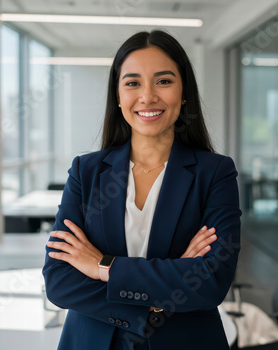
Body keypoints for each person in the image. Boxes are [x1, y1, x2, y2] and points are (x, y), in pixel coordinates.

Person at [42, 29, 242, 350]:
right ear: (118, 96)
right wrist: (155, 302)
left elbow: (211, 282)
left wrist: (102, 266)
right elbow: (59, 280)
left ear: (184, 91)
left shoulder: (215, 173)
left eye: (163, 81)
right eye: (133, 83)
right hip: (93, 340)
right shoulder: (86, 171)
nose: (147, 96)